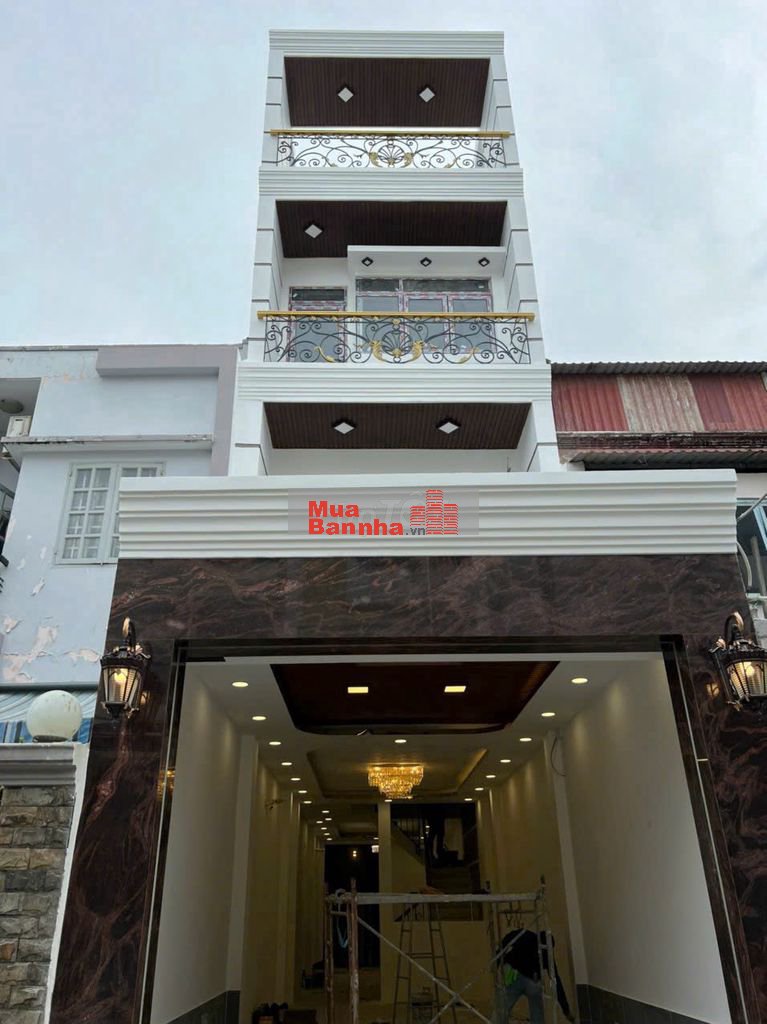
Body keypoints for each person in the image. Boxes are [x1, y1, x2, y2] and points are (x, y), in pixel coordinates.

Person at [495, 928, 574, 1024]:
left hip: (516, 976)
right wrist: (566, 1010)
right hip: (533, 980)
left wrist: (497, 958)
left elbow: (508, 939)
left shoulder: (525, 935)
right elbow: (555, 981)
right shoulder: (546, 953)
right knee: (537, 1015)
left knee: (502, 1009)